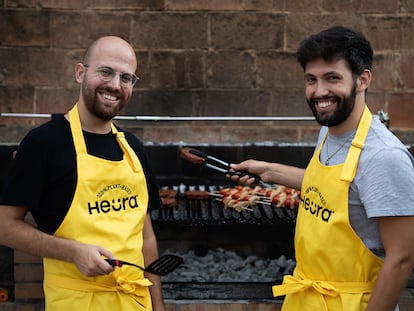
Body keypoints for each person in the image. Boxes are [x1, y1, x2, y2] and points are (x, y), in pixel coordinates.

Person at [230, 26, 414, 311]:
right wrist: (269, 170)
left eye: (332, 78)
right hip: (307, 297)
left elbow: (402, 257)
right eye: (311, 80)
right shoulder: (330, 131)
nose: (319, 92)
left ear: (362, 79)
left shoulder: (384, 157)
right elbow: (334, 188)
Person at [0, 36, 165, 310]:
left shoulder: (133, 148)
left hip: (136, 302)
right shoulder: (43, 144)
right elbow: (4, 226)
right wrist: (73, 252)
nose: (115, 84)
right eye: (105, 71)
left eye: (126, 77)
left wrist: (157, 304)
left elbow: (146, 237)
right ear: (80, 72)